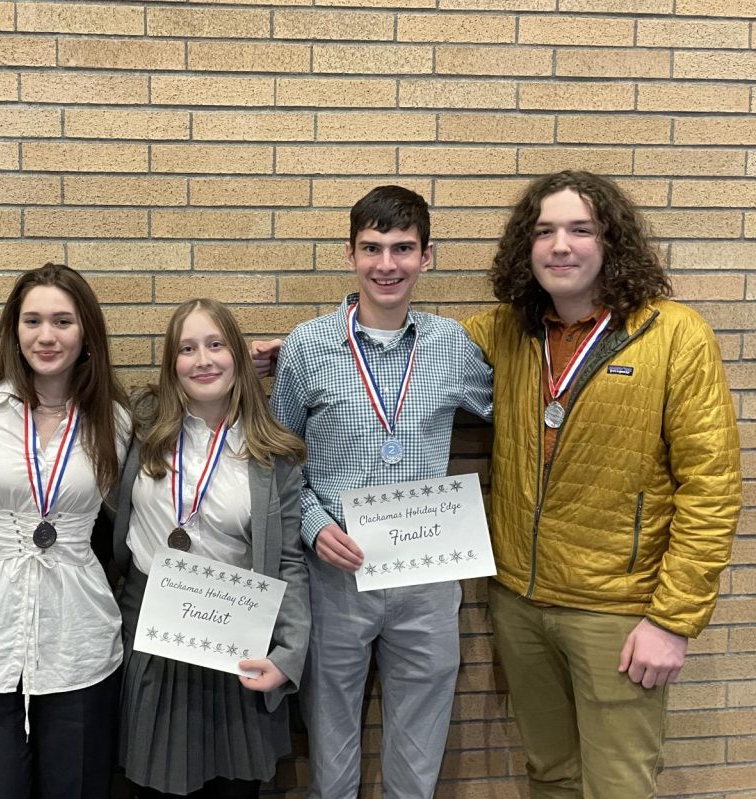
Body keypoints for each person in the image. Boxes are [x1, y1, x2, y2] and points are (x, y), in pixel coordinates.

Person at [461, 170, 740, 798]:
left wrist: (673, 620)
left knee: (618, 786)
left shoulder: (674, 335)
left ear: (610, 241)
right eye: (544, 231)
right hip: (521, 604)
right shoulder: (507, 331)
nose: (560, 245)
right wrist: (305, 348)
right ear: (525, 248)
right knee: (550, 776)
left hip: (619, 615)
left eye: (579, 229)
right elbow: (400, 347)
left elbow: (712, 488)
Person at [268, 186, 494, 798]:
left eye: (402, 248)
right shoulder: (308, 346)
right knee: (331, 753)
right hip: (335, 573)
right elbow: (278, 459)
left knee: (418, 760)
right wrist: (313, 523)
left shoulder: (451, 346)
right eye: (372, 248)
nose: (386, 264)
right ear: (350, 254)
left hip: (426, 577)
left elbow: (519, 410)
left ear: (427, 257)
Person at [0, 262, 130, 799]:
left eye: (63, 321)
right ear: (14, 329)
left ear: (86, 332)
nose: (46, 336)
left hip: (81, 640)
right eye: (32, 321)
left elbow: (126, 510)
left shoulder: (114, 422)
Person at [113, 299, 309, 799]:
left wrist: (289, 653)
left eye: (216, 345)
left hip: (234, 646)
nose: (203, 360)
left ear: (238, 356)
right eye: (187, 348)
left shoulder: (273, 453)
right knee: (150, 786)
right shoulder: (140, 427)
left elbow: (288, 562)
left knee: (232, 790)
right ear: (170, 363)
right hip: (152, 642)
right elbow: (63, 406)